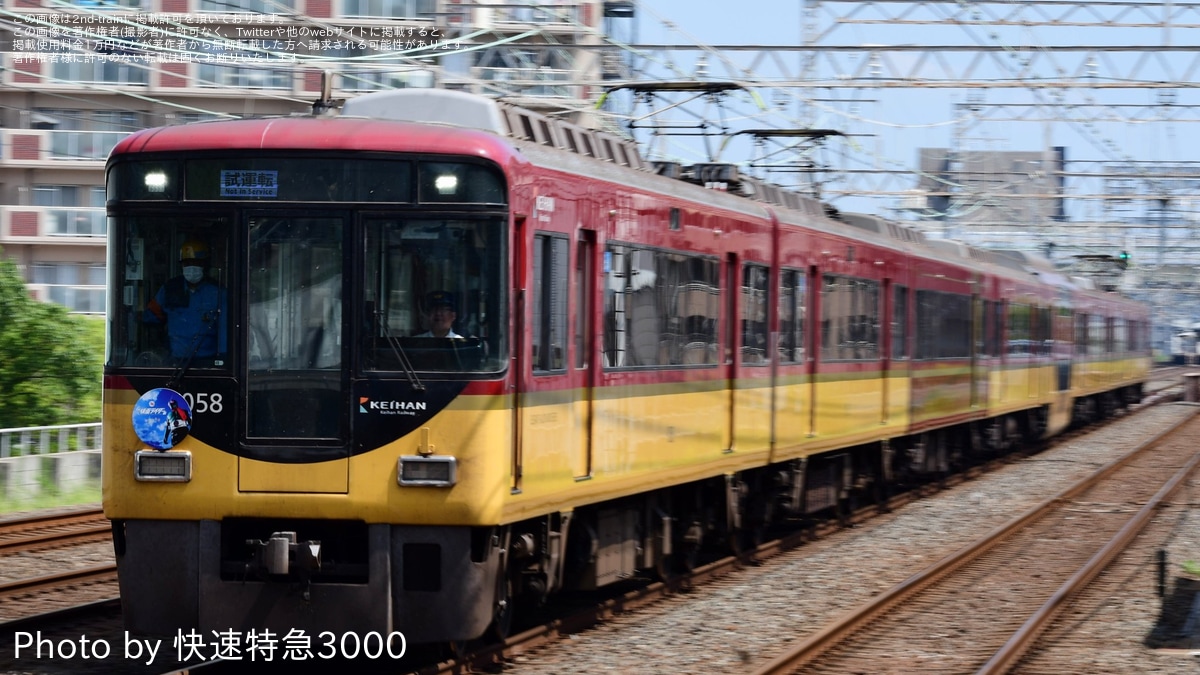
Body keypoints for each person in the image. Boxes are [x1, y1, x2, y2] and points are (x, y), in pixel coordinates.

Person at [145, 238, 227, 361]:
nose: (192, 268)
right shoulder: (169, 289)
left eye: (197, 263)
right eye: (187, 263)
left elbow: (225, 332)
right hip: (176, 362)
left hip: (208, 362)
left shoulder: (218, 292)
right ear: (181, 265)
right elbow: (150, 317)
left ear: (205, 265)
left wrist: (223, 359)